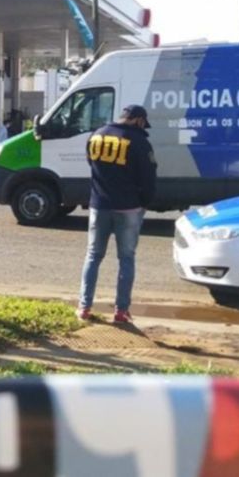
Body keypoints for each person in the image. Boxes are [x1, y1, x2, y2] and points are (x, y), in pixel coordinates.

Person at [77, 105, 158, 324]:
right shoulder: (139, 142)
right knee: (126, 259)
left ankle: (84, 307)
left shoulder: (97, 135)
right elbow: (148, 178)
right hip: (128, 208)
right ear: (138, 120)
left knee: (93, 256)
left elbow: (91, 165)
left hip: (99, 205)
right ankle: (121, 311)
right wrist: (145, 203)